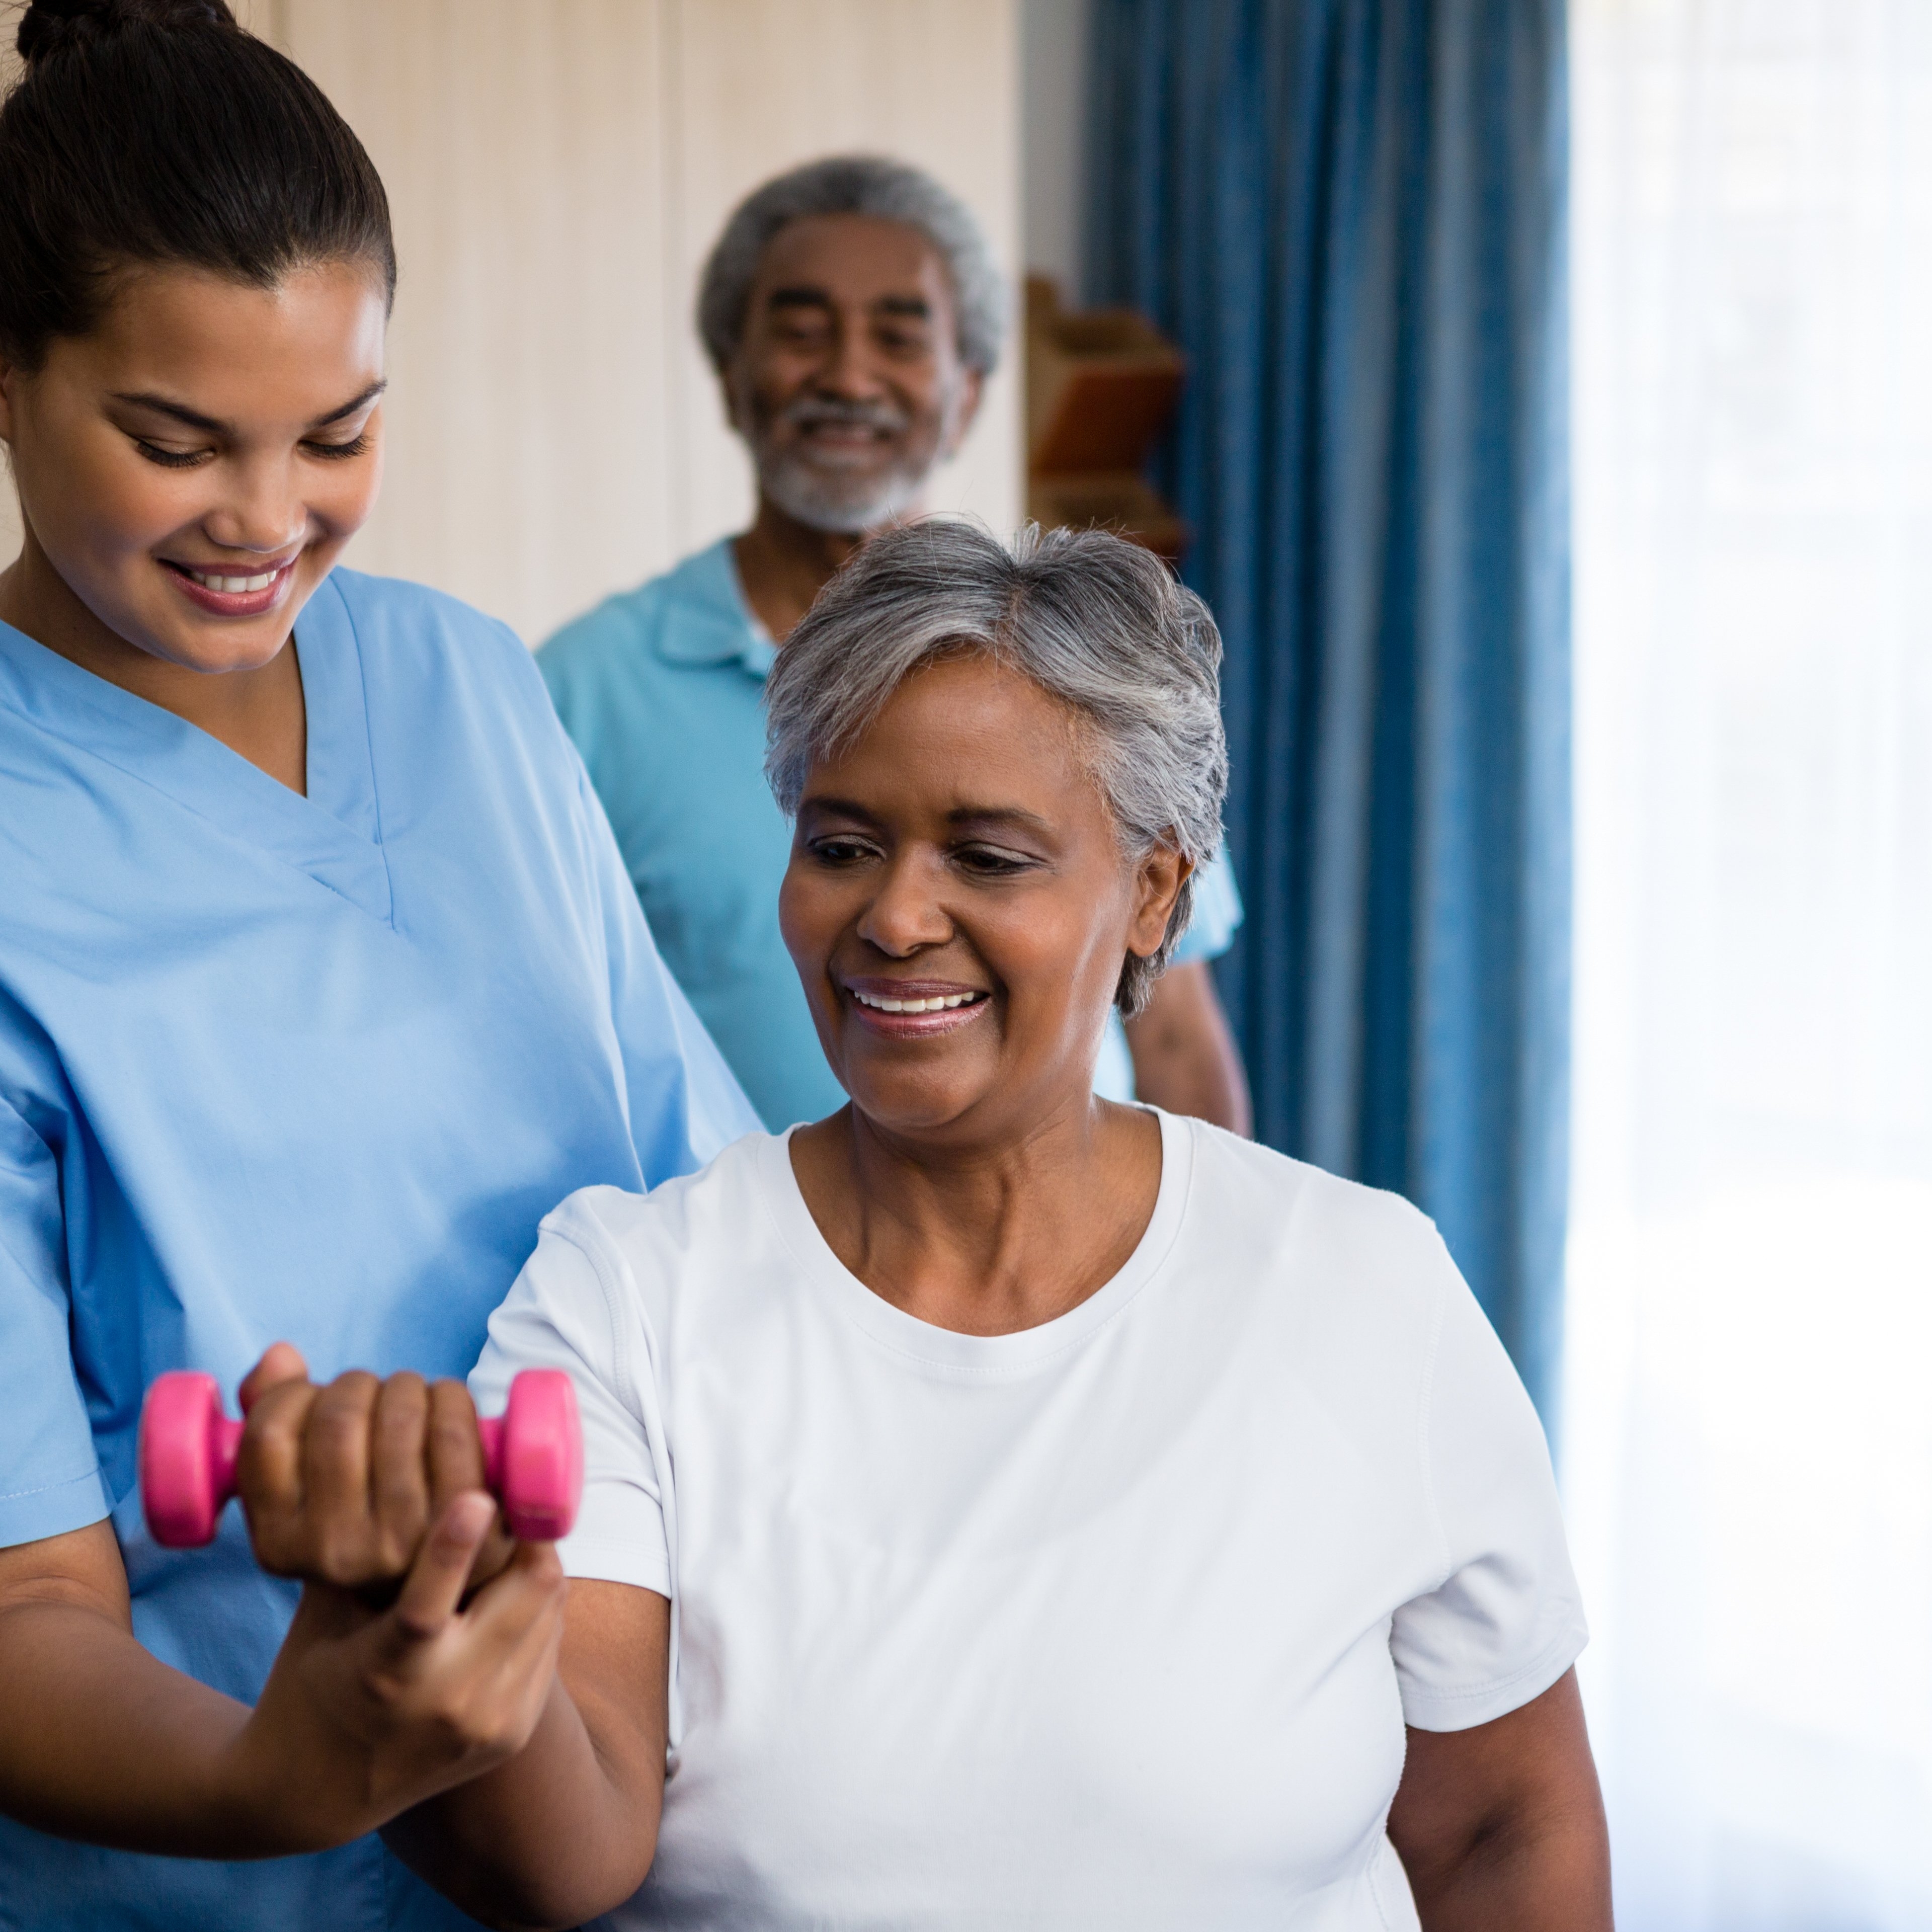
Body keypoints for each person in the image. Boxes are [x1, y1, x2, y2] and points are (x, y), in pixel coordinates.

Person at [224, 521, 1611, 1929]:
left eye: (988, 858)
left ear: (1153, 894)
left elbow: (1508, 1825)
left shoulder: (1365, 1291)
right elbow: (561, 1864)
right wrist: (413, 1640)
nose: (891, 918)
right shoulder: (623, 1298)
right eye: (842, 844)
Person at [0, 5, 757, 1927]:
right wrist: (293, 1771)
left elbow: (714, 1216)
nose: (269, 524)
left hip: (619, 1795)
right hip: (211, 1874)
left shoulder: (462, 681)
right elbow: (25, 1606)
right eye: (177, 445)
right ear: (10, 379)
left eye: (337, 435)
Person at [539, 155, 1252, 1135]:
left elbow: (1175, 1033)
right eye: (800, 333)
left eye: (899, 335)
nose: (848, 375)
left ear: (967, 391)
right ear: (732, 378)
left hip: (1081, 1268)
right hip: (740, 1274)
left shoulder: (1090, 667)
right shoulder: (579, 695)